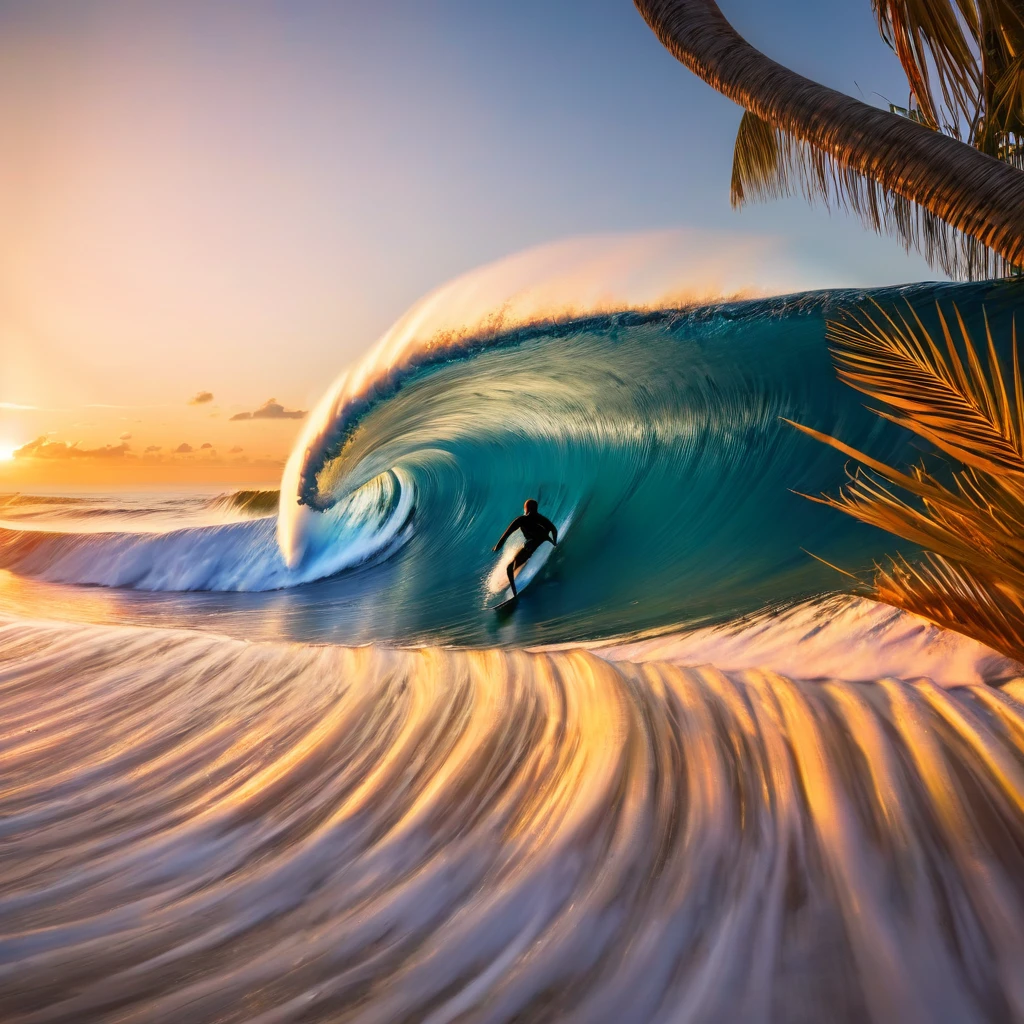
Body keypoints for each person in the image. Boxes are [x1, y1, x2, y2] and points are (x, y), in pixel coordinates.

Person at [492, 498, 558, 597]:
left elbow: (506, 534)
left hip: (532, 546)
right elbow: (554, 529)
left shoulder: (522, 520)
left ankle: (514, 592)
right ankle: (514, 585)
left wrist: (497, 546)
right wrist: (554, 543)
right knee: (515, 564)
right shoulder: (541, 518)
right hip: (544, 543)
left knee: (510, 567)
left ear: (526, 509)